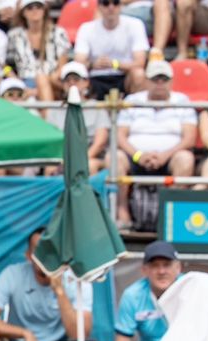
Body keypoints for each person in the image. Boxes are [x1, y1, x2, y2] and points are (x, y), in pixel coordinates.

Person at [0, 228, 93, 341]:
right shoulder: (13, 274)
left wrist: (59, 291)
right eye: (38, 251)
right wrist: (25, 333)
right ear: (28, 255)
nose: (44, 257)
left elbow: (80, 335)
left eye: (49, 251)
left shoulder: (76, 280)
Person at [116, 59, 195, 228]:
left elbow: (189, 138)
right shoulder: (132, 100)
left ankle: (173, 215)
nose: (160, 84)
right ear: (146, 81)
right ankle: (122, 212)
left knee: (185, 158)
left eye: (164, 79)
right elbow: (120, 136)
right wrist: (139, 155)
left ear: (172, 82)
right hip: (136, 156)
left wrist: (165, 155)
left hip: (170, 157)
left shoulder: (182, 101)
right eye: (155, 79)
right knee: (115, 157)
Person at [46, 62, 119, 180]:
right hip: (63, 157)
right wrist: (62, 160)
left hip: (92, 157)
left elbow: (100, 142)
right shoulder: (54, 109)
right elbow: (51, 142)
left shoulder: (97, 107)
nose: (71, 83)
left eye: (76, 79)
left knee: (90, 166)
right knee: (49, 168)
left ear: (86, 82)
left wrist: (80, 160)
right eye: (67, 80)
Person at [73, 0, 148, 98]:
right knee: (75, 78)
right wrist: (93, 64)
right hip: (95, 78)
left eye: (115, 3)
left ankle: (138, 111)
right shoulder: (86, 28)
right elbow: (78, 63)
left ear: (121, 6)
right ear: (99, 7)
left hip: (124, 77)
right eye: (106, 3)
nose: (111, 7)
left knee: (139, 74)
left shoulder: (135, 25)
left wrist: (115, 64)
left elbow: (140, 63)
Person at [115, 240, 181, 341]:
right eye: (155, 266)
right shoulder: (132, 295)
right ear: (144, 270)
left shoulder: (192, 289)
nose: (161, 271)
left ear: (178, 268)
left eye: (167, 265)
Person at [6, 0, 70, 101]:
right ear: (23, 12)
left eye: (38, 7)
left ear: (44, 10)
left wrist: (41, 85)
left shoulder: (58, 32)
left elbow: (63, 65)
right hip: (23, 82)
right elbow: (6, 66)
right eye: (30, 7)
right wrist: (18, 84)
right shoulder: (14, 35)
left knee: (42, 79)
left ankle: (47, 115)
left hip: (53, 81)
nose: (34, 10)